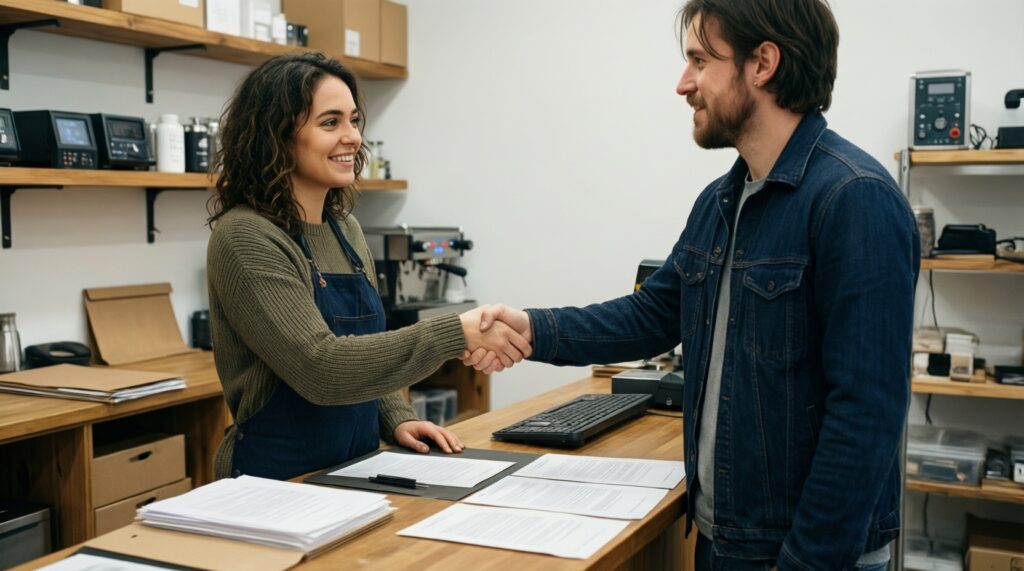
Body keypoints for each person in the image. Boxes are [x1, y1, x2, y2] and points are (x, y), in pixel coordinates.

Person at [464, 1, 919, 569]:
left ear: (763, 64)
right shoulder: (721, 201)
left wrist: (807, 562)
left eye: (700, 61)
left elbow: (868, 412)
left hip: (803, 554)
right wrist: (533, 329)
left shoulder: (855, 199)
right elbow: (651, 315)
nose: (684, 84)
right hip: (722, 539)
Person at [206, 52, 530, 482]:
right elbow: (320, 367)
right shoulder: (246, 236)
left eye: (354, 120)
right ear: (277, 135)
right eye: (330, 122)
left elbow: (367, 346)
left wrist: (395, 414)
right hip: (274, 480)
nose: (353, 137)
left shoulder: (346, 229)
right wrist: (455, 332)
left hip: (353, 468)